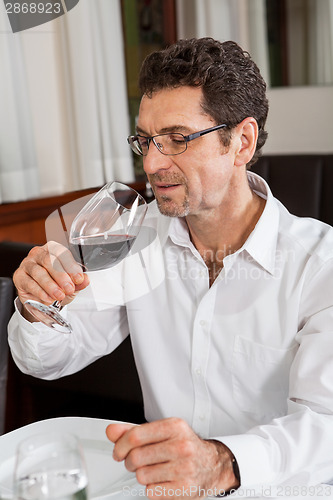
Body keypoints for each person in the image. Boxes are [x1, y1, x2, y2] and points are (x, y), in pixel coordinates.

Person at [8, 37, 333, 498]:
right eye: (146, 140)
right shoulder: (132, 237)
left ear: (241, 141)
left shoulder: (321, 266)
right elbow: (45, 360)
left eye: (178, 139)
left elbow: (326, 428)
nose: (153, 162)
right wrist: (38, 304)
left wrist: (220, 461)